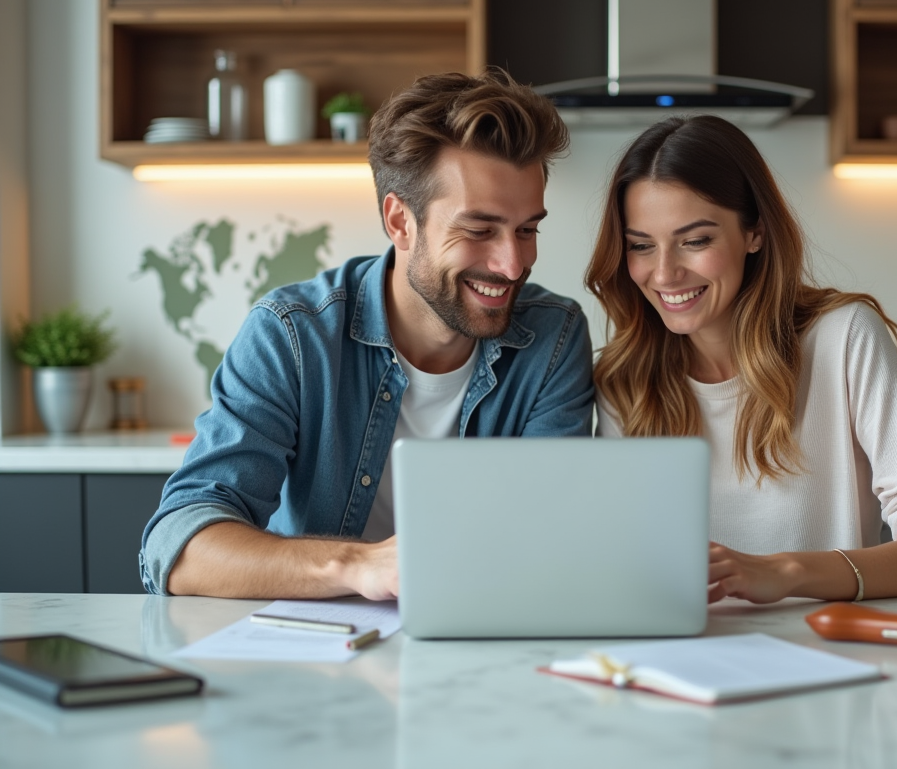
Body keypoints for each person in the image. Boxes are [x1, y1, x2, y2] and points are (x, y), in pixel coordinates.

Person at [140, 69, 594, 600]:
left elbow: (548, 537)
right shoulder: (292, 335)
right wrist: (358, 567)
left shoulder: (553, 338)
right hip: (312, 655)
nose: (514, 264)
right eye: (479, 230)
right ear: (400, 221)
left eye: (527, 230)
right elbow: (179, 548)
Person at [585, 115, 897, 604]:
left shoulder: (843, 337)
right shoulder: (623, 379)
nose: (664, 273)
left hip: (827, 654)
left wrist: (787, 572)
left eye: (696, 240)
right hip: (683, 659)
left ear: (755, 232)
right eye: (641, 246)